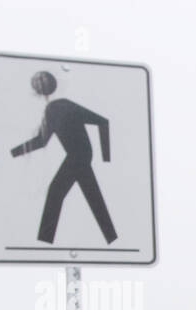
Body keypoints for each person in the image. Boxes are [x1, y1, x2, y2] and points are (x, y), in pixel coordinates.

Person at [9, 70, 118, 245]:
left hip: (78, 156)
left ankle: (44, 241)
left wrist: (107, 158)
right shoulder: (52, 109)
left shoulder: (61, 106)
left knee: (55, 192)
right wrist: (14, 153)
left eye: (39, 83)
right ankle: (112, 238)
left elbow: (103, 121)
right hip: (80, 156)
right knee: (92, 196)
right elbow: (42, 141)